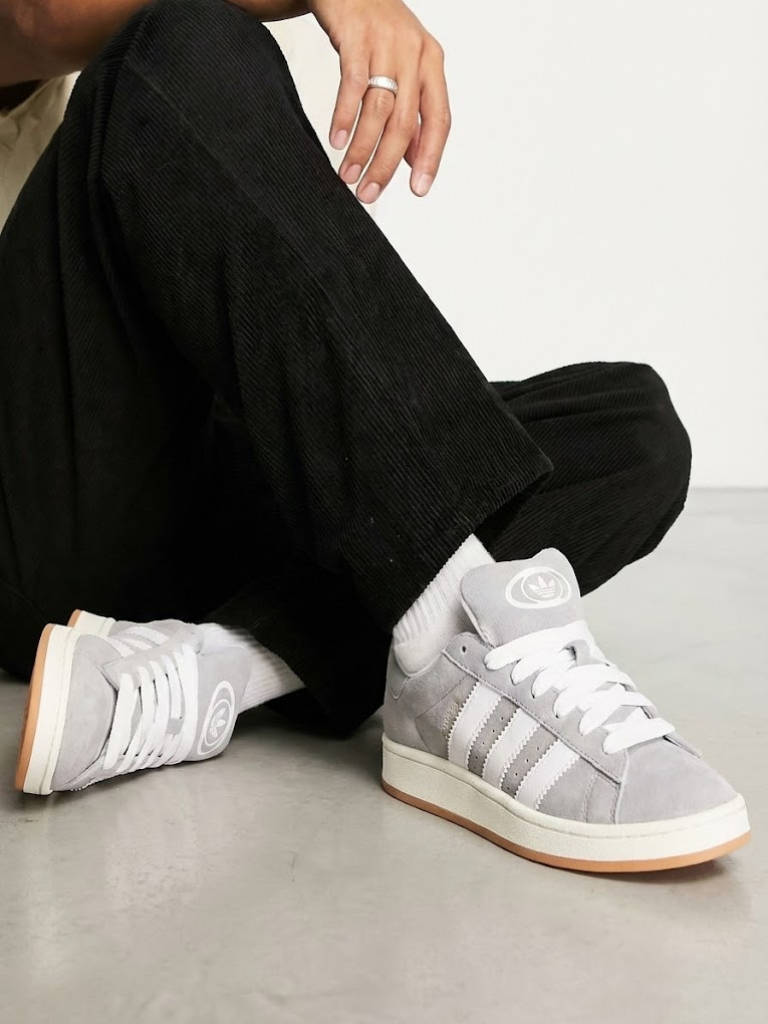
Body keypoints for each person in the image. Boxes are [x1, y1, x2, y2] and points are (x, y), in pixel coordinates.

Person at [0, 0, 749, 871]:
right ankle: (450, 633)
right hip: (39, 504)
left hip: (188, 491)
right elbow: (37, 17)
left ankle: (225, 666)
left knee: (632, 431)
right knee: (180, 39)